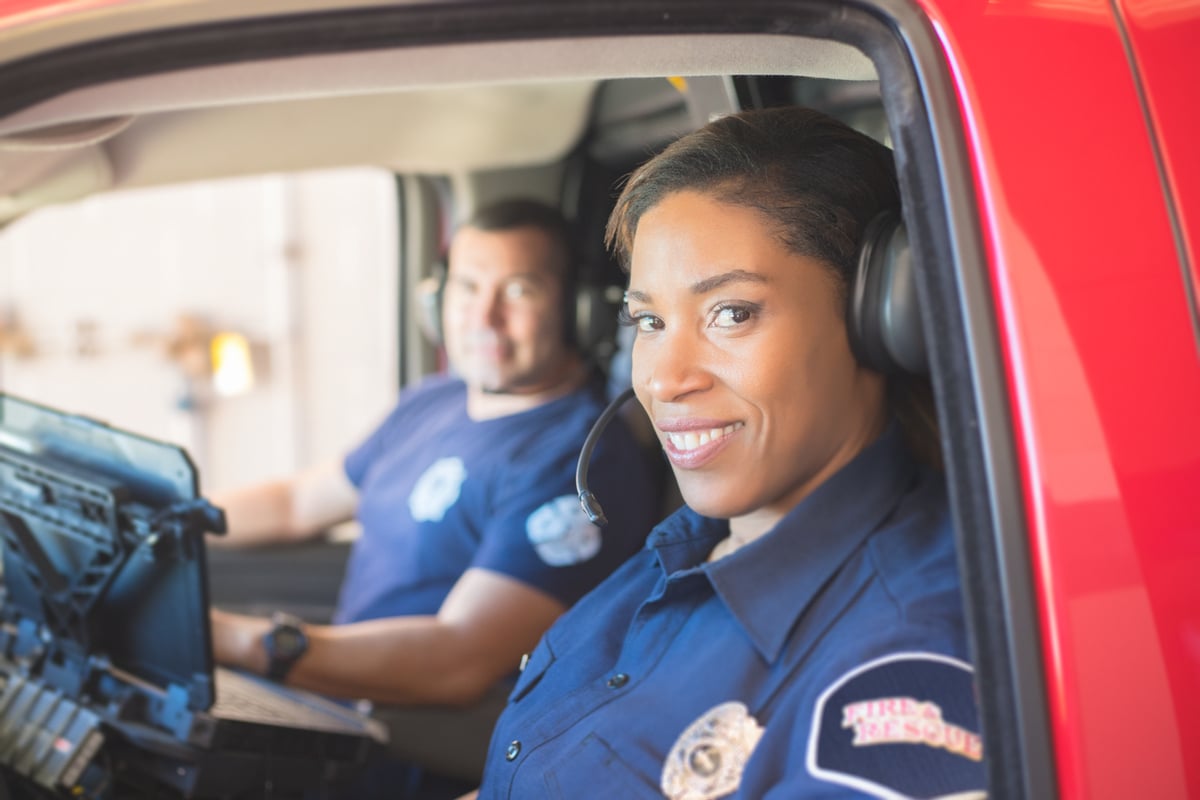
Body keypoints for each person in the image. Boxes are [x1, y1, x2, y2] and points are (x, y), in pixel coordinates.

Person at [471, 108, 986, 799]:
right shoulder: (680, 556)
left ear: (878, 319)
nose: (663, 377)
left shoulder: (906, 664)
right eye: (649, 322)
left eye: (731, 313)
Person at [207, 198, 660, 799]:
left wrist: (243, 641)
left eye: (519, 291)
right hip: (329, 706)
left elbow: (457, 659)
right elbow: (297, 502)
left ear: (578, 311)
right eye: (467, 287)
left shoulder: (580, 462)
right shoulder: (433, 401)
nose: (485, 317)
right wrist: (166, 513)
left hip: (404, 753)